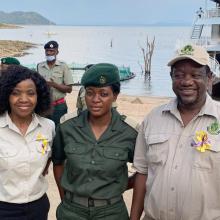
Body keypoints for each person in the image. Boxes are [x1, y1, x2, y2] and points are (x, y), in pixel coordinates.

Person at [130, 44, 219, 220]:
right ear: (171, 78)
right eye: (178, 75)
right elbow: (142, 173)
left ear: (209, 78)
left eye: (195, 75)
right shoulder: (152, 119)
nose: (186, 81)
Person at [52, 63, 138, 220]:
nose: (95, 100)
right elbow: (58, 163)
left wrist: (118, 185)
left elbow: (144, 170)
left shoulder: (130, 132)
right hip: (71, 212)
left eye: (103, 94)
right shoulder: (67, 127)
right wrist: (65, 199)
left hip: (112, 213)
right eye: (90, 93)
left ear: (115, 95)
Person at [0, 65, 55, 220]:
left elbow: (49, 156)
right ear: (6, 95)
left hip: (38, 207)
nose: (23, 99)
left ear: (39, 96)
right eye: (15, 93)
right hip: (4, 208)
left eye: (30, 93)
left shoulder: (48, 127)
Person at [37, 40, 74, 126]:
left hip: (59, 107)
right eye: (47, 51)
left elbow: (69, 89)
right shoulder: (40, 66)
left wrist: (54, 85)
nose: (49, 53)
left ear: (57, 52)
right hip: (44, 105)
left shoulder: (63, 66)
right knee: (43, 131)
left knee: (59, 131)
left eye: (52, 51)